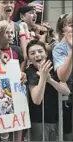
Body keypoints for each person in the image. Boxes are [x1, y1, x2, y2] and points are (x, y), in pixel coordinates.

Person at [26, 39, 70, 141]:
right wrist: (42, 77)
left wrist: (50, 80)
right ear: (29, 58)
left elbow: (66, 91)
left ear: (46, 53)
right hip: (38, 120)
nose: (37, 55)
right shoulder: (30, 71)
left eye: (40, 51)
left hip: (56, 119)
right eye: (32, 53)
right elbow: (36, 100)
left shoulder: (56, 67)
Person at [52, 12, 73, 141]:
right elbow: (62, 77)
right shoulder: (59, 49)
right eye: (71, 25)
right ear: (63, 29)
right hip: (69, 101)